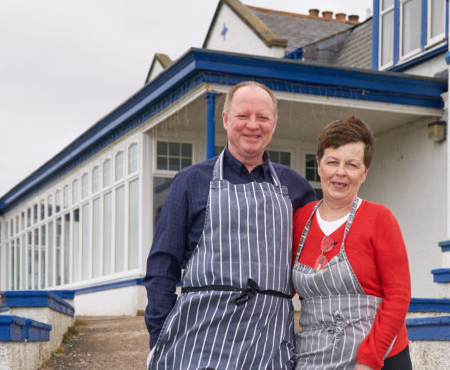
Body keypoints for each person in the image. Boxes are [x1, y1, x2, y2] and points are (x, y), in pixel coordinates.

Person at [144, 81, 316, 369]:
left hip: (269, 349)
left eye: (262, 117)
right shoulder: (190, 182)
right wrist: (160, 338)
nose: (253, 125)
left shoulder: (296, 188)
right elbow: (162, 267)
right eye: (243, 116)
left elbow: (310, 271)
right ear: (225, 120)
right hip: (196, 348)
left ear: (273, 124)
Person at [292, 115, 412, 370]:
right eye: (332, 162)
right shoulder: (299, 219)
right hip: (313, 358)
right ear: (319, 164)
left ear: (365, 173)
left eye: (352, 165)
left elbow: (398, 296)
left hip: (378, 361)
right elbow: (282, 289)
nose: (340, 173)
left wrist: (369, 359)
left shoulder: (380, 219)